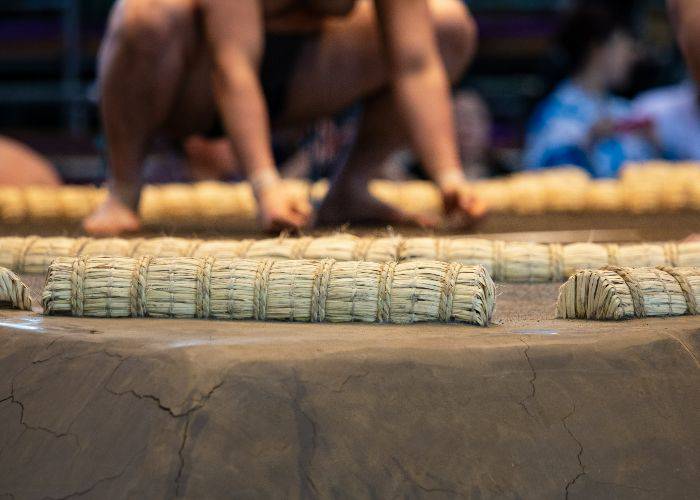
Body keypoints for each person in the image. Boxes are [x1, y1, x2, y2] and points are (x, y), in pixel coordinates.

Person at [84, 0, 485, 236]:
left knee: (448, 25)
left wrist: (448, 176)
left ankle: (350, 189)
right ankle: (123, 189)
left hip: (306, 71)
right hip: (195, 79)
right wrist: (265, 184)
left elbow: (415, 64)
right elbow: (233, 66)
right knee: (144, 14)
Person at [523, 4, 657, 178]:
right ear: (598, 49)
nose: (633, 57)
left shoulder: (625, 110)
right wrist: (588, 141)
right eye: (625, 46)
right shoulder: (557, 112)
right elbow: (543, 175)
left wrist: (654, 145)